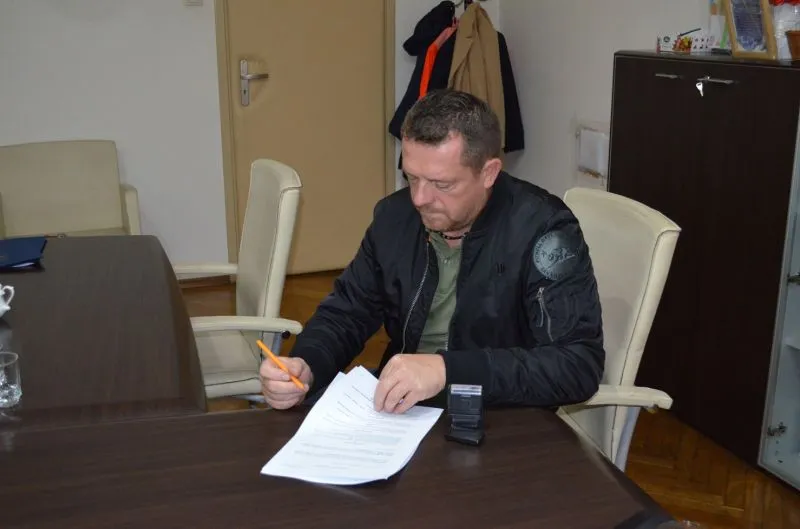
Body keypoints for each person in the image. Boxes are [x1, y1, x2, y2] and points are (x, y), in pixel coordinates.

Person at [260, 89, 605, 414]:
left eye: (442, 184)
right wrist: (307, 364)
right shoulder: (394, 217)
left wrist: (448, 370)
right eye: (412, 178)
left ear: (488, 173)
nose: (419, 198)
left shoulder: (543, 231)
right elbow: (347, 313)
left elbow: (576, 365)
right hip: (403, 409)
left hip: (497, 416)